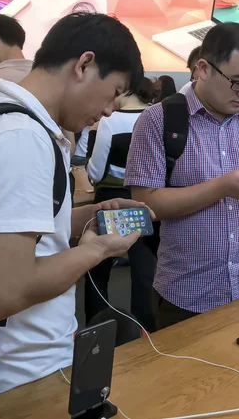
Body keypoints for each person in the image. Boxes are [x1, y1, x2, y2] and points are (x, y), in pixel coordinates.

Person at [0, 12, 146, 411]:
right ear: (84, 64)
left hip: (14, 369)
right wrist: (98, 250)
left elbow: (7, 229)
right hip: (20, 381)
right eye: (114, 92)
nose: (110, 110)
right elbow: (4, 293)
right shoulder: (19, 139)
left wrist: (88, 214)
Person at [125, 22, 239, 330]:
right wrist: (221, 187)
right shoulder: (158, 120)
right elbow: (145, 206)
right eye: (237, 82)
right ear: (203, 69)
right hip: (189, 294)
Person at [85, 77, 157, 331]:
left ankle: (98, 327)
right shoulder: (155, 116)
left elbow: (94, 171)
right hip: (146, 199)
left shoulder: (109, 122)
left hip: (111, 201)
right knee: (144, 269)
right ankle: (146, 329)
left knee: (98, 267)